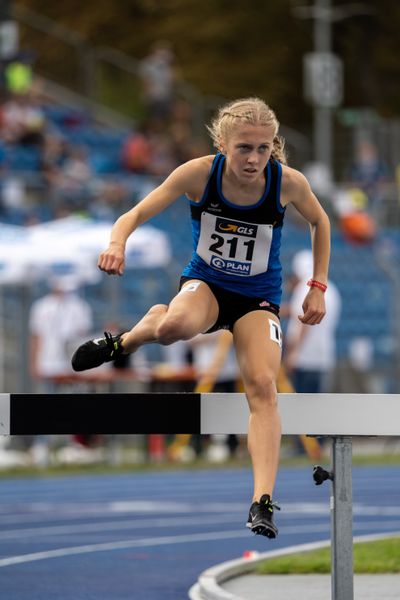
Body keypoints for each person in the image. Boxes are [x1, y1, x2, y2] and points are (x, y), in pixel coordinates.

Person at [71, 97, 331, 539]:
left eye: (263, 149)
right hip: (208, 285)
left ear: (274, 148)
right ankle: (126, 340)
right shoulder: (198, 173)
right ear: (222, 144)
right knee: (174, 327)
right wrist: (117, 243)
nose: (253, 159)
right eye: (243, 148)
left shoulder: (286, 183)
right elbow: (134, 213)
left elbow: (320, 222)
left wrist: (317, 285)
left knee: (264, 387)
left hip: (257, 299)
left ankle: (261, 501)